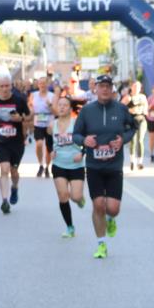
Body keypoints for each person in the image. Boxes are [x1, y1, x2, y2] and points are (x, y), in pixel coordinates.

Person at [72, 75, 136, 259]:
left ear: (112, 89)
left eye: (108, 86)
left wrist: (122, 139)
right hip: (94, 166)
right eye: (102, 86)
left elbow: (133, 128)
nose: (105, 89)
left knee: (113, 208)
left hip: (114, 166)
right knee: (98, 204)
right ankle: (101, 244)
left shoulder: (121, 109)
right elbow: (76, 134)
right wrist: (85, 140)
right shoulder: (87, 111)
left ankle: (110, 219)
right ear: (96, 89)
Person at [0, 73, 30, 214]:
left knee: (14, 171)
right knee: (4, 169)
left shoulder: (19, 100)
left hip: (16, 142)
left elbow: (29, 117)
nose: (4, 89)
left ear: (11, 86)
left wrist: (20, 118)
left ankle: (14, 187)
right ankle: (4, 201)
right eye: (1, 86)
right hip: (0, 142)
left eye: (7, 86)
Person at [50, 96, 86, 239]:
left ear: (70, 108)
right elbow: (48, 139)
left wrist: (82, 153)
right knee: (63, 195)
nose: (62, 107)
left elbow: (87, 139)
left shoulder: (76, 123)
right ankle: (70, 227)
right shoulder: (52, 125)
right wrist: (50, 150)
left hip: (76, 164)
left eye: (65, 105)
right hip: (59, 163)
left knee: (75, 196)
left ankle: (79, 199)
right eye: (60, 105)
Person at [29, 75, 56, 177]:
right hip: (38, 123)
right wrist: (30, 116)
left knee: (49, 147)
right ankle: (40, 164)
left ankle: (47, 167)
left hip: (49, 123)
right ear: (38, 84)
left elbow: (55, 111)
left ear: (47, 84)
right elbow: (30, 108)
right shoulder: (33, 95)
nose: (42, 85)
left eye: (44, 83)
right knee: (39, 144)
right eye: (40, 83)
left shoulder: (51, 96)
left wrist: (50, 105)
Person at [123, 80, 149, 170]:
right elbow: (120, 107)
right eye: (135, 86)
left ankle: (140, 162)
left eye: (138, 87)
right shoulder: (128, 97)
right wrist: (128, 110)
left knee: (140, 140)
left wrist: (145, 111)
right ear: (131, 87)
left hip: (141, 119)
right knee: (133, 141)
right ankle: (132, 161)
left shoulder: (143, 97)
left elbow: (146, 107)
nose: (136, 88)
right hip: (131, 120)